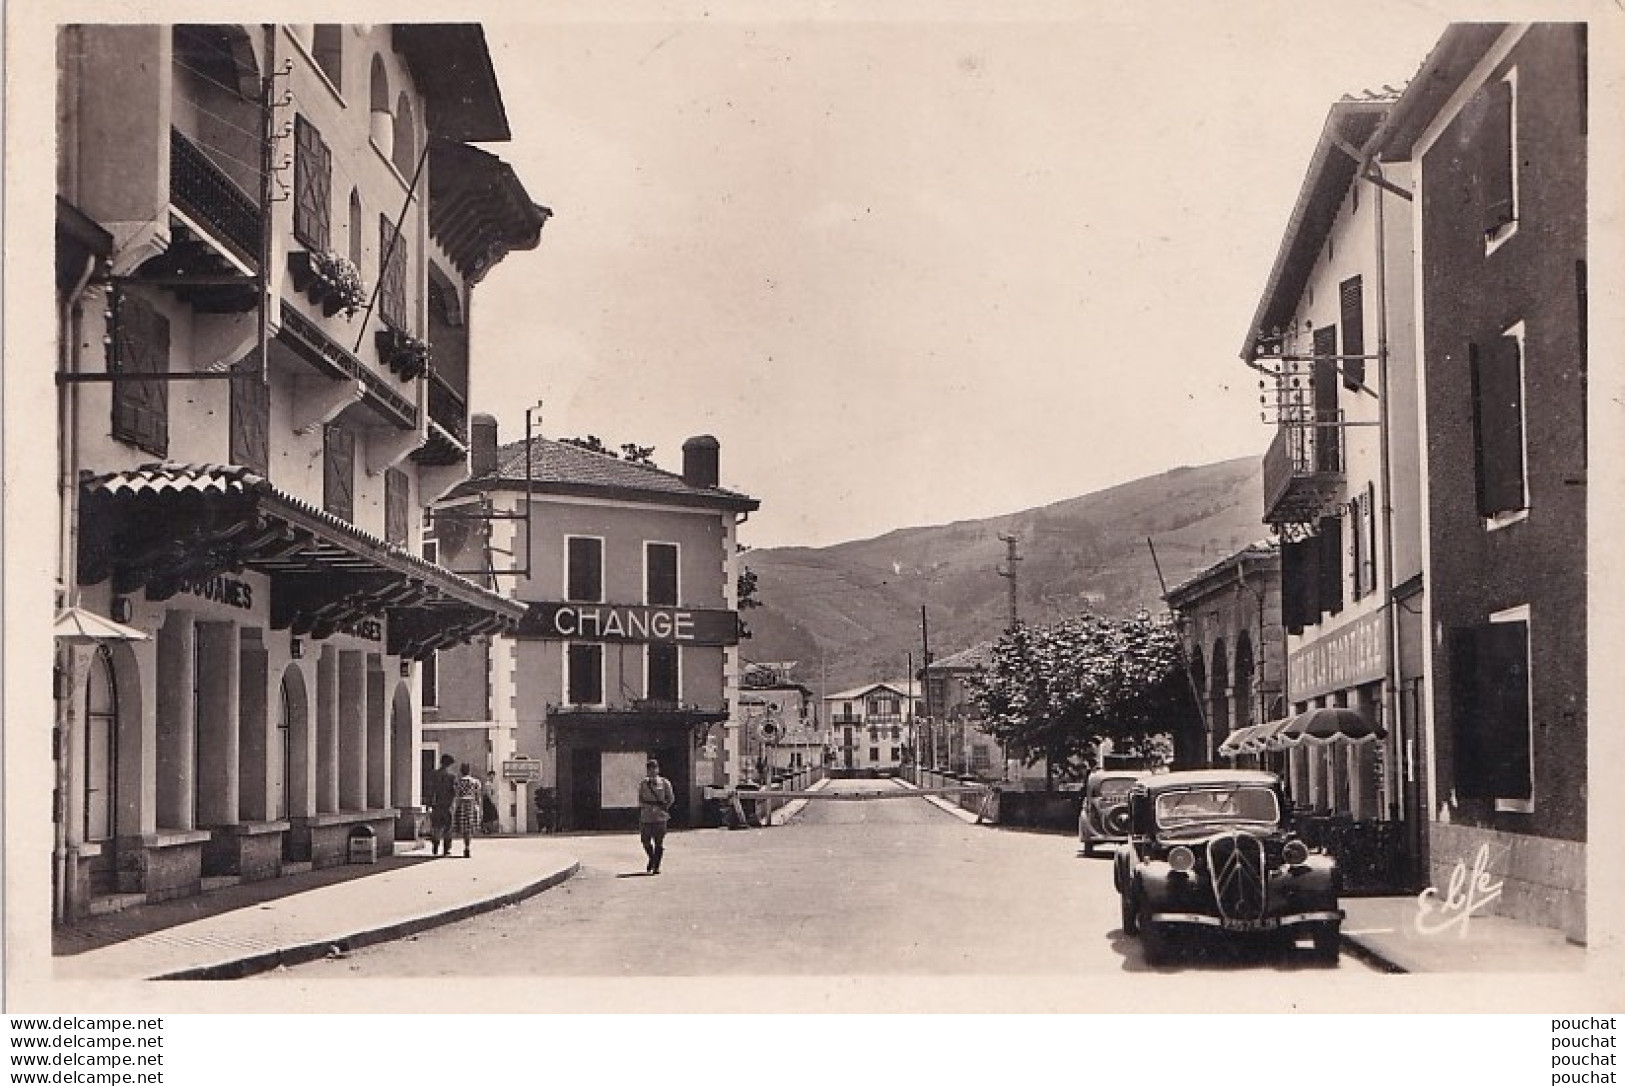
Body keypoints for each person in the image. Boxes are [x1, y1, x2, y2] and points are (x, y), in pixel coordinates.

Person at [637, 758, 675, 874]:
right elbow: (640, 799)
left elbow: (671, 798)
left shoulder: (664, 783)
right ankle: (652, 858)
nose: (652, 772)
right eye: (650, 770)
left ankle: (656, 866)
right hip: (646, 816)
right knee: (645, 841)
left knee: (659, 841)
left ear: (658, 770)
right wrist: (645, 806)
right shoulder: (643, 784)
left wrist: (663, 807)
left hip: (660, 816)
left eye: (654, 769)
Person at [427, 754, 458, 857]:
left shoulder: (433, 775)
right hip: (447, 805)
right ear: (449, 764)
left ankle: (435, 844)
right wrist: (453, 803)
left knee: (436, 825)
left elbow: (430, 790)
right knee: (448, 827)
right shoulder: (452, 776)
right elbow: (453, 792)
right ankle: (446, 849)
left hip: (436, 804)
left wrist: (429, 803)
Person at [451, 762, 483, 858]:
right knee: (469, 828)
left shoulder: (458, 782)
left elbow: (456, 795)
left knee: (463, 827)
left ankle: (466, 846)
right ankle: (467, 847)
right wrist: (479, 808)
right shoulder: (475, 782)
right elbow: (478, 796)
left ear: (461, 771)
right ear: (469, 771)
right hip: (472, 804)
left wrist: (454, 806)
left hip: (461, 804)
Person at [482, 771, 501, 835]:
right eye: (492, 776)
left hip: (488, 800)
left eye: (494, 776)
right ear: (489, 776)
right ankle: (485, 829)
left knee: (490, 815)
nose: (493, 777)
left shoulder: (490, 783)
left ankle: (488, 829)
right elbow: (488, 793)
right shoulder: (488, 784)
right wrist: (492, 801)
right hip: (487, 800)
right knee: (488, 815)